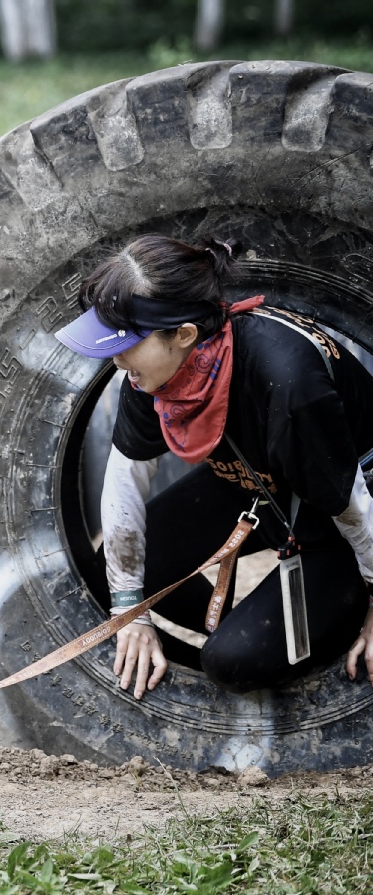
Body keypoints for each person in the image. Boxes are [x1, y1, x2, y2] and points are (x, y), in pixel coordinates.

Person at [55, 234, 373, 699]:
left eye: (126, 345)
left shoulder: (286, 379)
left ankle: (312, 620)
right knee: (121, 573)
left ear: (183, 334)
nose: (116, 360)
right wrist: (132, 615)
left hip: (346, 508)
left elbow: (353, 506)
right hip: (263, 483)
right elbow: (124, 480)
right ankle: (254, 621)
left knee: (232, 661)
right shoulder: (154, 377)